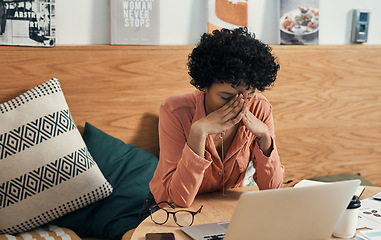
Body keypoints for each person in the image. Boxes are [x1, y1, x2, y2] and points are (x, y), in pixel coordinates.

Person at [139, 27, 284, 222]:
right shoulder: (175, 110)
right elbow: (180, 198)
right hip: (170, 211)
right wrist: (199, 132)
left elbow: (272, 190)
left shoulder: (260, 108)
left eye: (248, 96)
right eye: (226, 97)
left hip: (225, 209)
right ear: (205, 86)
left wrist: (265, 137)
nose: (239, 104)